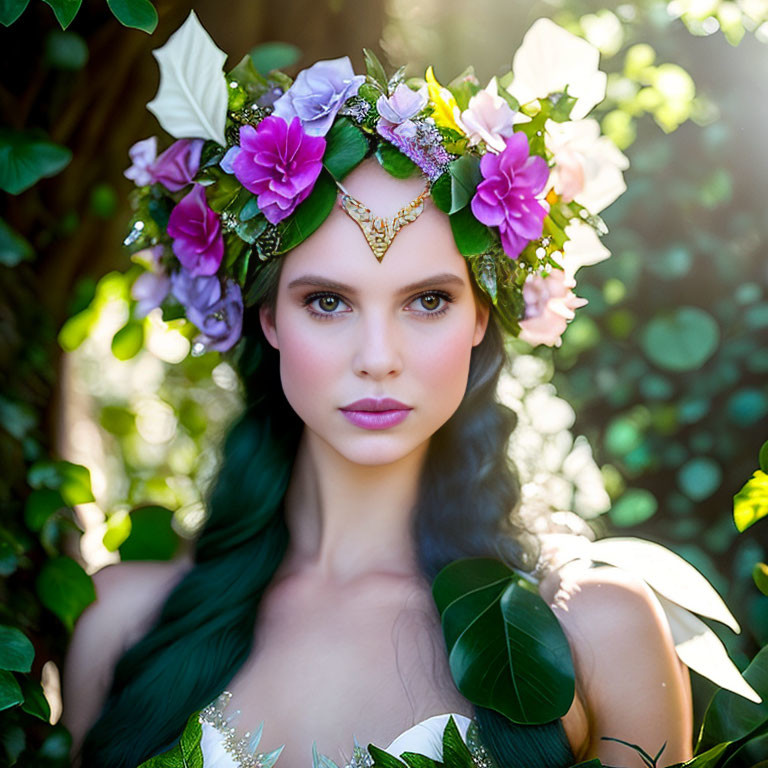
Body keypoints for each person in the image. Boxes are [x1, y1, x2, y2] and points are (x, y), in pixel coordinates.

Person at [60, 12, 695, 768]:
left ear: (479, 318)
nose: (377, 357)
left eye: (427, 300)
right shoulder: (125, 621)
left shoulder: (598, 630)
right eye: (327, 301)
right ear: (266, 317)